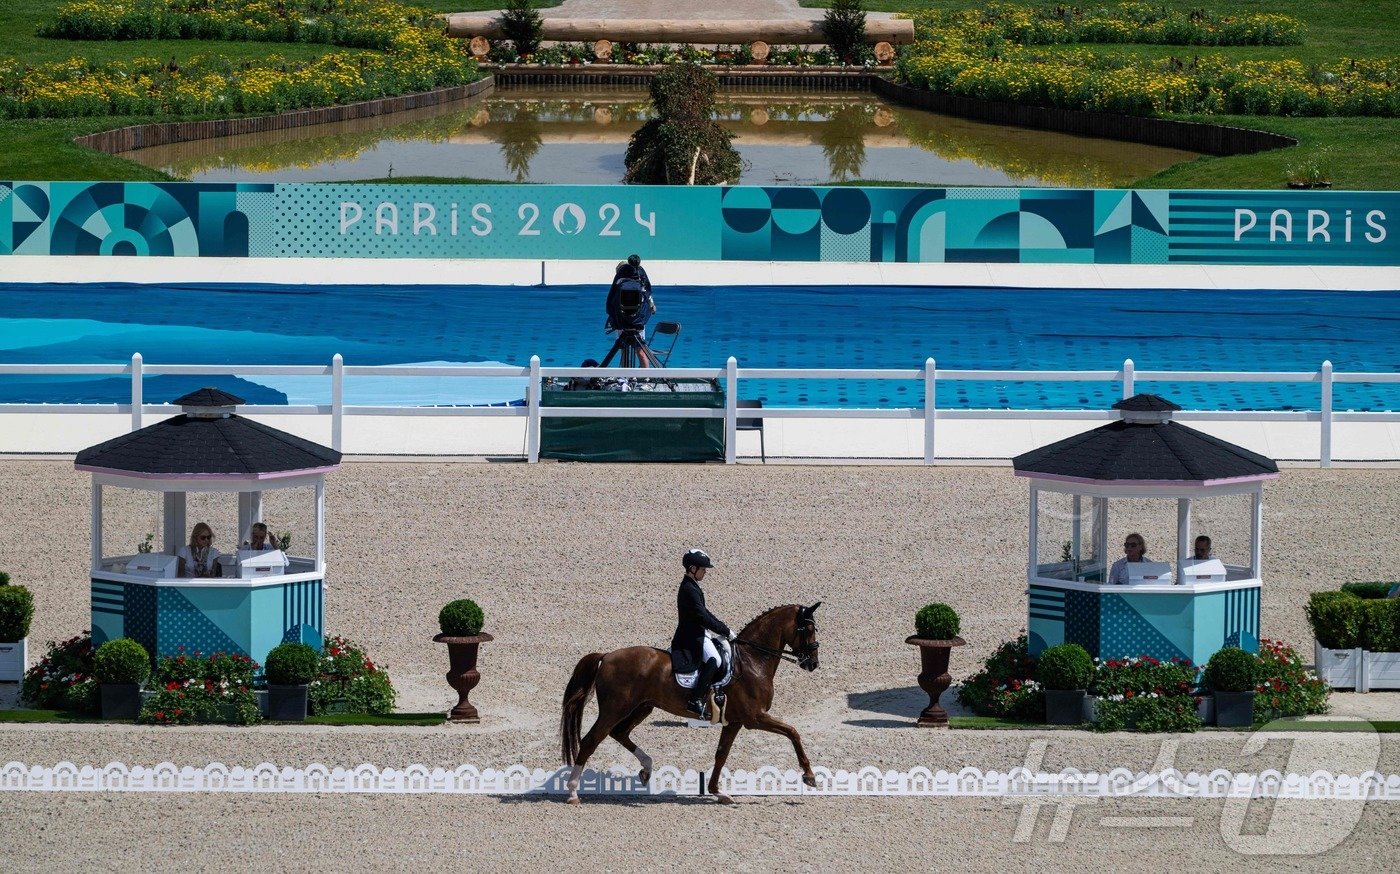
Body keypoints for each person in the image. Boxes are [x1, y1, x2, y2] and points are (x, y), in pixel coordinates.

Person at [670, 548, 736, 719]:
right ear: (693, 568)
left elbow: (705, 613)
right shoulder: (689, 589)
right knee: (715, 660)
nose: (705, 572)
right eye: (703, 569)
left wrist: (724, 627)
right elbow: (702, 616)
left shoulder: (692, 586)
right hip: (692, 635)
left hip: (699, 632)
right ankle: (696, 699)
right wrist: (725, 631)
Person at [605, 254, 657, 366]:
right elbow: (652, 307)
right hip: (629, 320)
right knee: (629, 351)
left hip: (630, 321)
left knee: (639, 351)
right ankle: (627, 378)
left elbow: (610, 304)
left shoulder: (636, 285)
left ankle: (645, 378)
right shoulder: (626, 286)